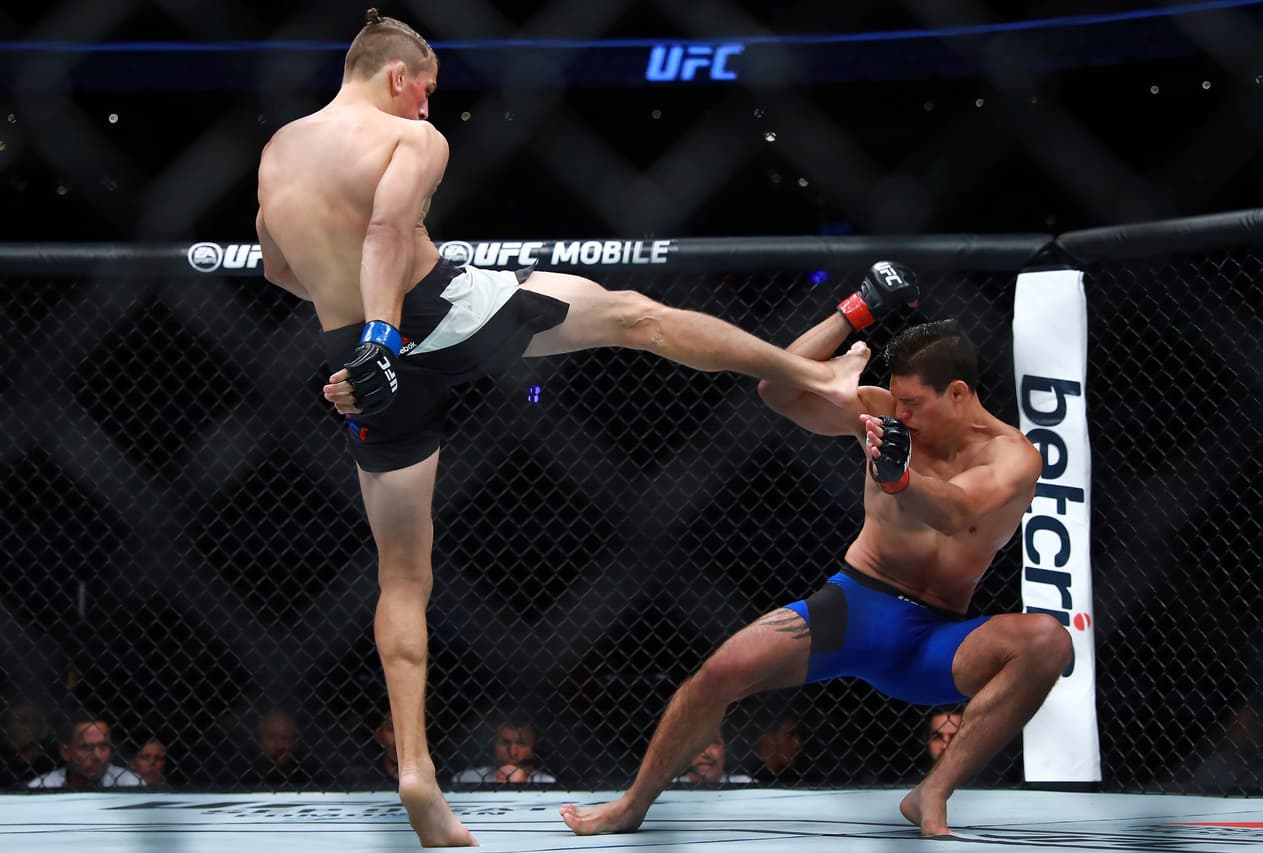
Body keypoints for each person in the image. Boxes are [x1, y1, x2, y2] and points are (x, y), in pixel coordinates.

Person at [254, 8, 906, 847]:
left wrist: (360, 349)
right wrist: (388, 335)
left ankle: (416, 768)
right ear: (398, 76)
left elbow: (277, 262)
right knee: (636, 313)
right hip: (430, 311)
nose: (428, 107)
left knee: (402, 576)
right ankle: (813, 369)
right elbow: (385, 231)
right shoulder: (411, 139)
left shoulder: (278, 152)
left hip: (356, 357)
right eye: (428, 91)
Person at [560, 318, 1072, 838]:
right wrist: (852, 313)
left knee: (1047, 641)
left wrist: (898, 477)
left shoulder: (1013, 455)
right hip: (855, 608)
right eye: (898, 400)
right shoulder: (883, 412)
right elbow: (777, 388)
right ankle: (633, 804)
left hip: (937, 642)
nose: (904, 414)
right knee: (716, 675)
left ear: (958, 392)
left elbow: (960, 509)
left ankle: (931, 793)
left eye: (915, 403)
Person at [28, 714, 144, 790]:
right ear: (65, 752)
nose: (97, 756)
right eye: (86, 748)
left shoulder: (130, 783)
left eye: (103, 746)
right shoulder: (42, 787)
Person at [239, 709, 331, 790]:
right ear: (260, 739)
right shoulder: (242, 776)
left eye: (285, 738)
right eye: (271, 737)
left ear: (295, 741)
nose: (278, 746)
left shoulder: (312, 778)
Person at [452, 717, 556, 785]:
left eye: (521, 744)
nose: (512, 752)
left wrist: (522, 785)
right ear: (493, 746)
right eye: (505, 743)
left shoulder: (547, 783)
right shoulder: (466, 779)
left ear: (533, 750)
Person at [674, 728, 754, 785]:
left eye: (714, 743)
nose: (705, 753)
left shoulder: (745, 784)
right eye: (696, 743)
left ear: (726, 749)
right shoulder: (669, 788)